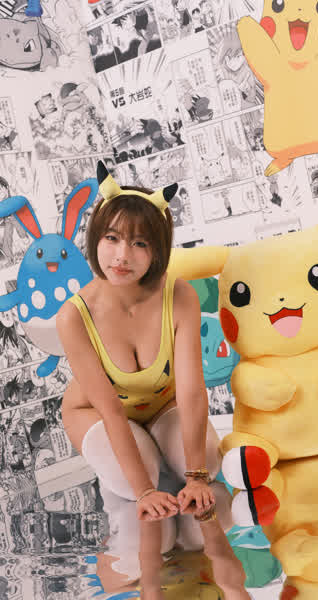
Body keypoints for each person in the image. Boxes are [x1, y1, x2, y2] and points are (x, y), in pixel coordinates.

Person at [56, 161, 250, 600]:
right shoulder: (74, 316)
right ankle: (135, 477)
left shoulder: (177, 295)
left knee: (206, 469)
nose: (122, 256)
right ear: (96, 238)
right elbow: (109, 408)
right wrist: (144, 490)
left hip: (163, 404)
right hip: (97, 413)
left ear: (157, 248)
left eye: (139, 242)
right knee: (140, 490)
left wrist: (196, 476)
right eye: (111, 238)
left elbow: (192, 390)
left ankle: (166, 463)